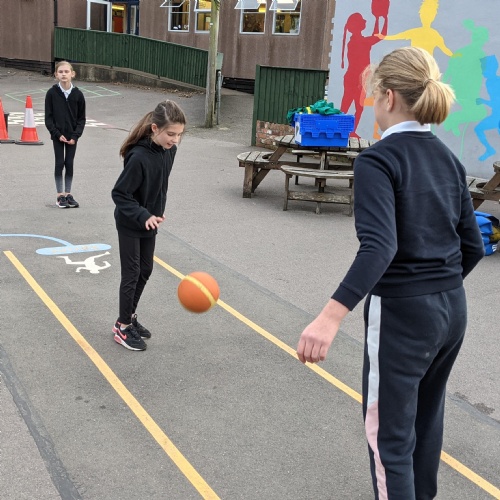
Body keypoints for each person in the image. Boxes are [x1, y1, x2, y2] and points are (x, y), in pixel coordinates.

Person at [297, 46, 484, 499]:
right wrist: (435, 289)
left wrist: (329, 318)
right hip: (451, 310)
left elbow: (380, 246)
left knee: (389, 440)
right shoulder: (448, 159)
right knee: (425, 423)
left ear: (388, 96)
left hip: (404, 315)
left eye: (371, 94)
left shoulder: (378, 160)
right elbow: (473, 245)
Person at [111, 100, 186, 351]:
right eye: (171, 134)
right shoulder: (138, 157)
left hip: (150, 219)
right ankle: (122, 327)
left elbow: (159, 183)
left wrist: (157, 210)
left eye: (179, 134)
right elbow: (120, 194)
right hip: (130, 220)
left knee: (145, 269)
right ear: (155, 128)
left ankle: (129, 316)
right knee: (131, 273)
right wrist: (143, 214)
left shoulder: (169, 151)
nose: (175, 139)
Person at [45, 61, 86, 208]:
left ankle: (68, 194)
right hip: (58, 135)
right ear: (56, 75)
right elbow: (48, 118)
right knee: (59, 163)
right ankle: (59, 195)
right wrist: (56, 133)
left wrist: (75, 136)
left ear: (72, 74)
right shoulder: (51, 93)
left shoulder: (78, 95)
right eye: (60, 72)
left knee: (69, 163)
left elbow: (81, 119)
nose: (63, 74)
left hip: (72, 136)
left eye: (66, 72)